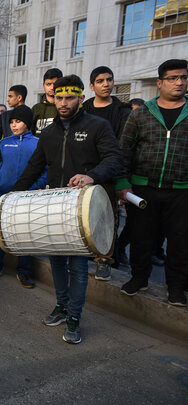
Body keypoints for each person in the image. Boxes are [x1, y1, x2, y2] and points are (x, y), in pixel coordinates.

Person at [12, 75, 123, 344]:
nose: (63, 103)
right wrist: (12, 197)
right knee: (57, 261)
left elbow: (115, 159)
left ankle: (74, 318)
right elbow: (35, 167)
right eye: (58, 97)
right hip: (54, 206)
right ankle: (62, 307)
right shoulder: (48, 132)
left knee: (78, 266)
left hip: (83, 207)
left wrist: (91, 175)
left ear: (80, 98)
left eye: (69, 98)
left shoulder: (98, 126)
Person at [116, 59, 188, 307]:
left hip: (181, 191)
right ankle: (139, 279)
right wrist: (123, 183)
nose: (179, 82)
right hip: (142, 188)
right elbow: (124, 150)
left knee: (179, 241)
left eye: (183, 77)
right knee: (141, 237)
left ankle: (176, 288)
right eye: (173, 78)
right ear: (159, 83)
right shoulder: (142, 114)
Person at [0, 105, 46, 287]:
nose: (13, 125)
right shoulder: (3, 143)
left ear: (27, 123)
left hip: (27, 198)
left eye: (18, 121)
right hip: (3, 195)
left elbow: (46, 171)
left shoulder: (38, 143)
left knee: (25, 232)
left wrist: (33, 187)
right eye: (11, 122)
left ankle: (24, 270)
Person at [81, 66, 132, 280]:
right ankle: (82, 255)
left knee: (107, 218)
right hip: (83, 173)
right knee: (82, 217)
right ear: (92, 86)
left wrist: (122, 181)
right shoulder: (83, 109)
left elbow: (124, 149)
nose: (106, 84)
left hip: (110, 174)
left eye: (109, 80)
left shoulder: (122, 111)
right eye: (100, 81)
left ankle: (104, 260)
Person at [32, 68, 63, 137]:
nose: (52, 87)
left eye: (55, 84)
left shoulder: (66, 107)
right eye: (48, 84)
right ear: (43, 85)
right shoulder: (36, 108)